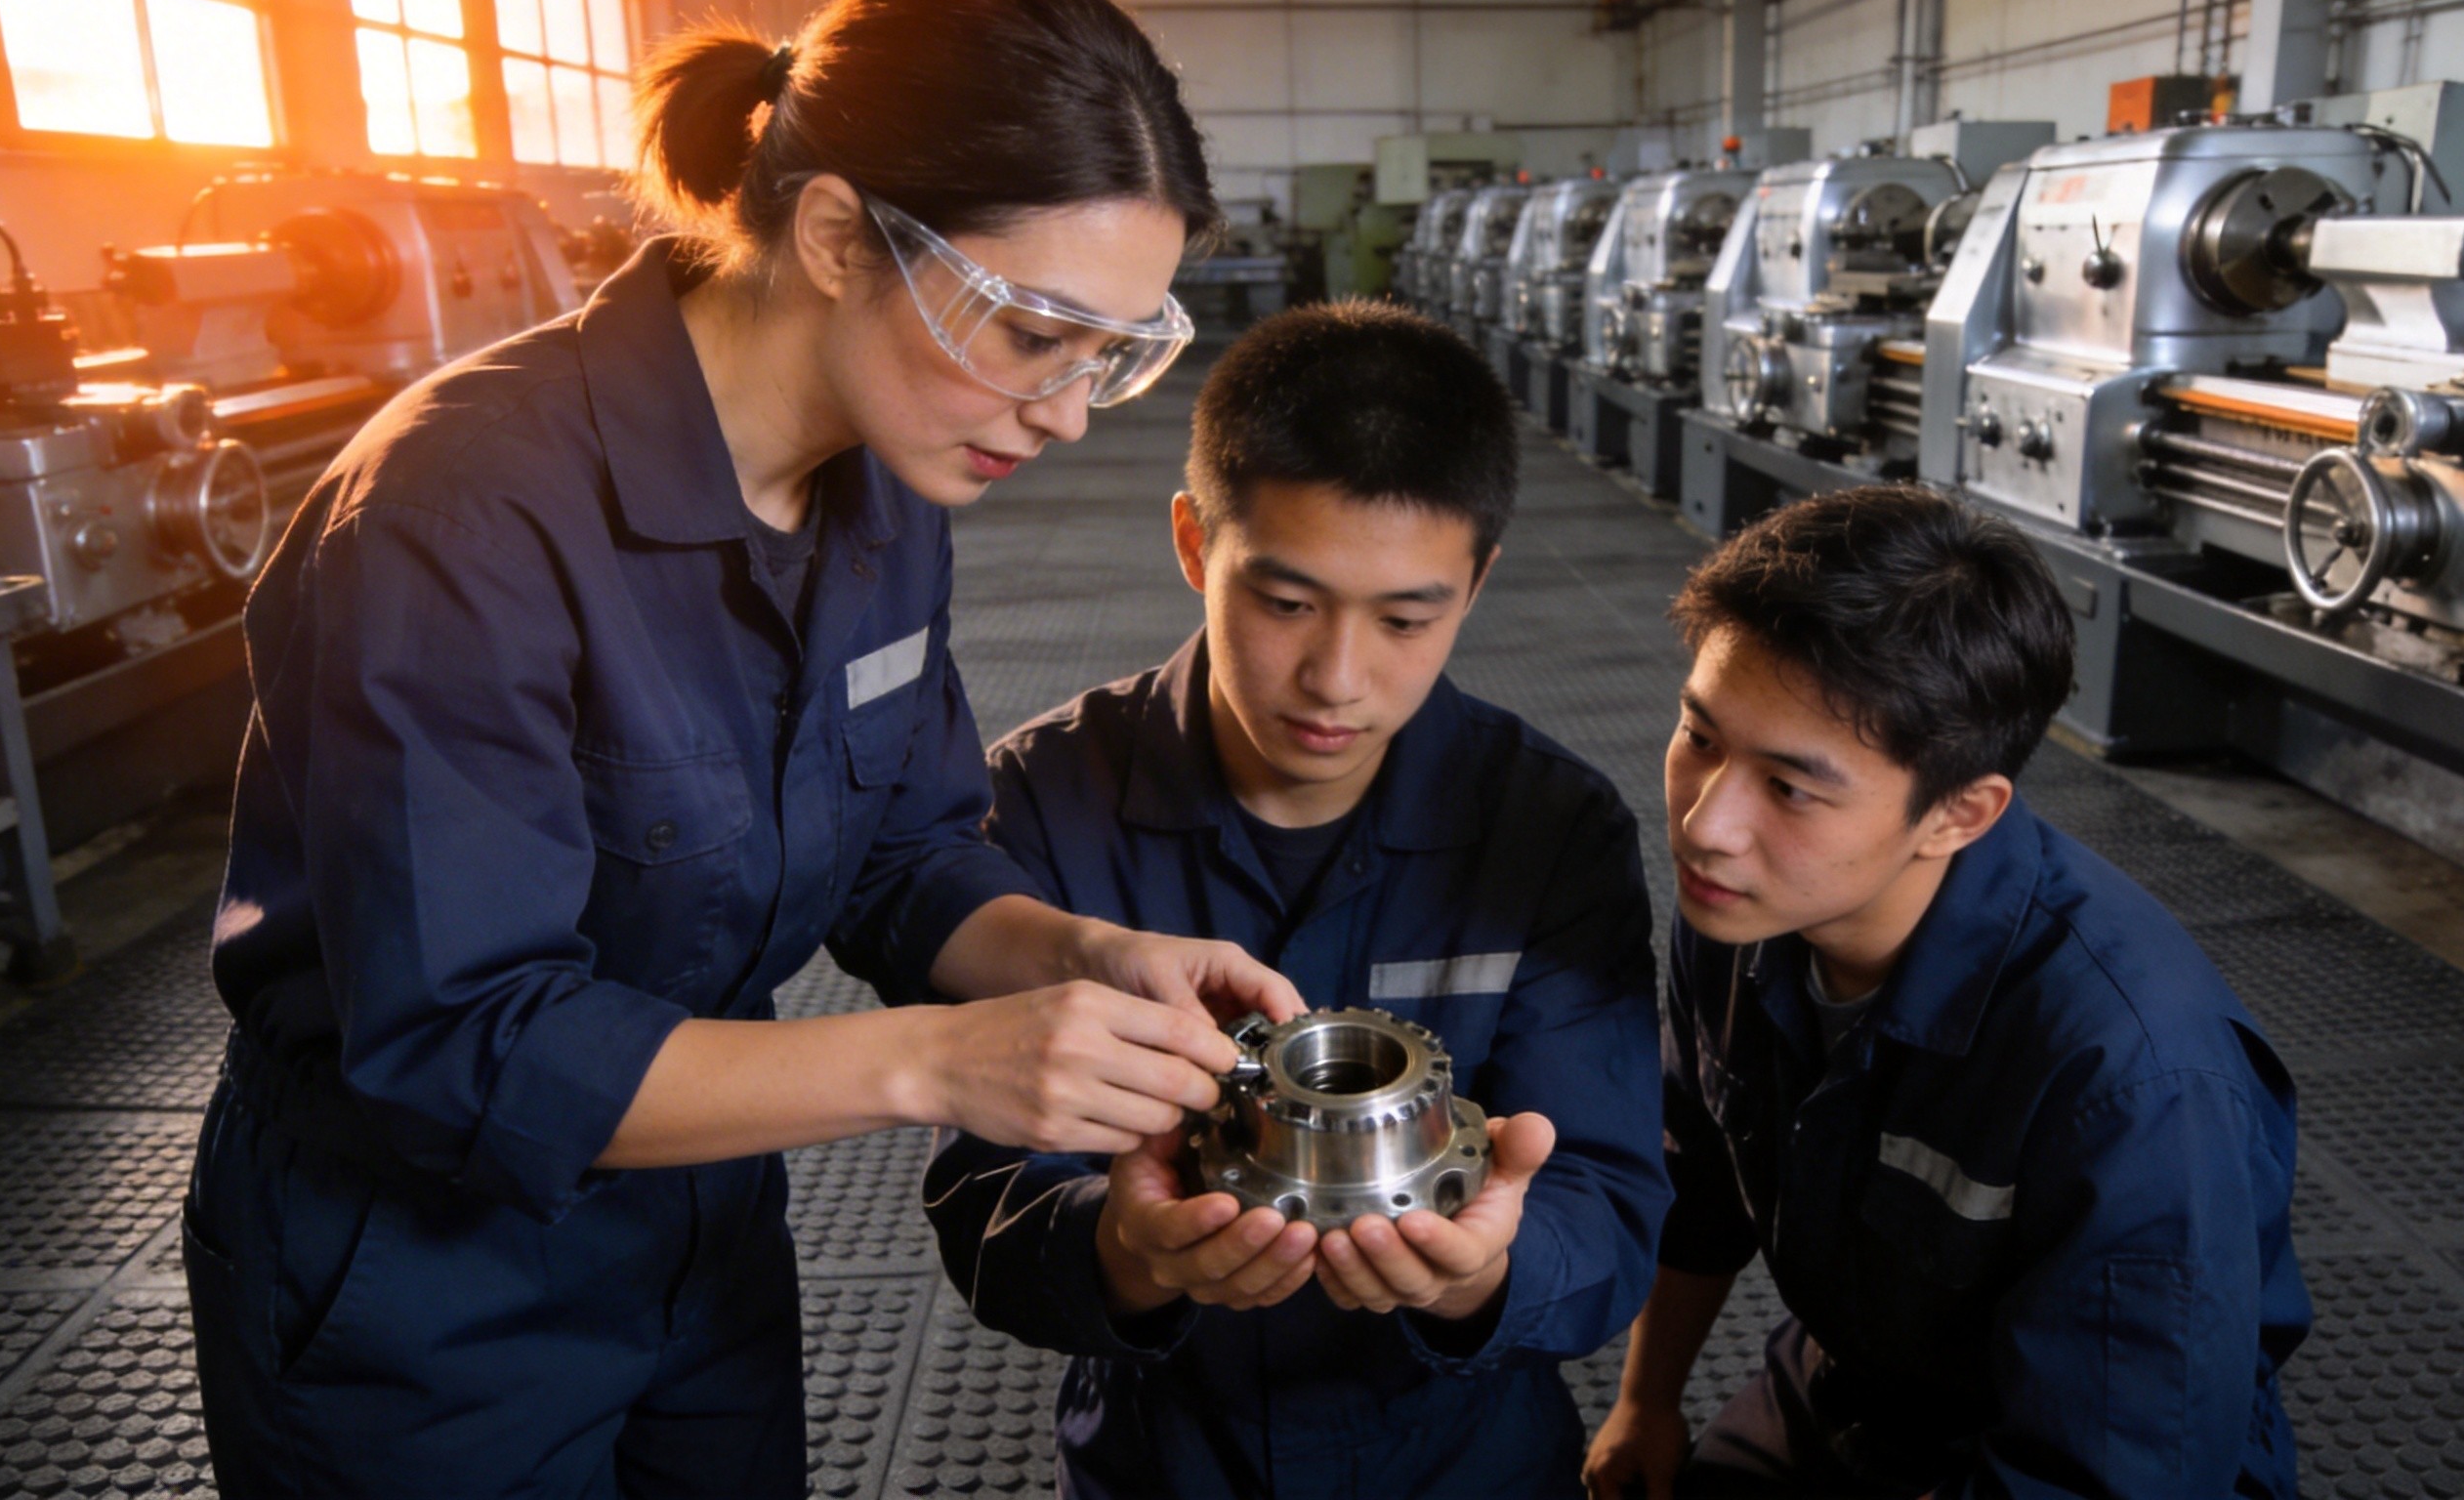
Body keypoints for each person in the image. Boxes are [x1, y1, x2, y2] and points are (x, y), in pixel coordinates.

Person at [184, 0, 1305, 1498]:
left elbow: (899, 857)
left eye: (1112, 353)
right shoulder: (462, 515)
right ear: (838, 235)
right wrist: (939, 1062)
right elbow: (466, 1043)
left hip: (698, 1229)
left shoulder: (885, 487)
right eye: (1033, 332)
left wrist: (1079, 956)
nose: (1063, 410)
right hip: (416, 1279)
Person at [925, 302, 1669, 1499]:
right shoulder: (1040, 807)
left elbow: (1607, 1199)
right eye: (1284, 603)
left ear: (1475, 583)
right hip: (1165, 1460)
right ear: (1192, 543)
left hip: (1463, 1462)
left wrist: (1481, 1274)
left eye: (1406, 618)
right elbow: (986, 1200)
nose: (1336, 678)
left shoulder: (1550, 832)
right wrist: (1128, 1249)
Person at [1582, 487, 2310, 1500]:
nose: (1706, 825)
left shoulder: (2134, 1084)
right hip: (1859, 1378)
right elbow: (1700, 1175)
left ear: (1959, 815)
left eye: (1789, 788)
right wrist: (1645, 1402)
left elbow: (2116, 1468)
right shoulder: (1744, 915)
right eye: (1700, 737)